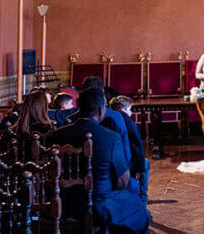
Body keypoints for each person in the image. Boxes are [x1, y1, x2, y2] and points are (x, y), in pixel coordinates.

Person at [49, 89, 149, 232]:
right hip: (100, 204)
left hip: (63, 200)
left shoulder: (58, 134)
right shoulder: (111, 138)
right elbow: (122, 182)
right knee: (139, 210)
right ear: (101, 110)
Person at [110, 96, 149, 204]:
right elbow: (136, 147)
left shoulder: (106, 117)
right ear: (123, 109)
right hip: (124, 161)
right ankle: (142, 198)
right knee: (145, 164)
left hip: (109, 159)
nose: (131, 113)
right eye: (130, 110)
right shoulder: (127, 121)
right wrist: (139, 168)